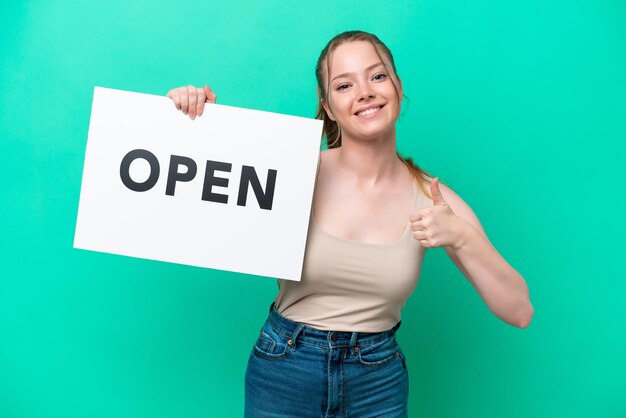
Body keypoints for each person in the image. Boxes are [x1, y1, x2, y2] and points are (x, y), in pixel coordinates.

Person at [167, 30, 533, 418]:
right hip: (283, 369)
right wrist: (191, 121)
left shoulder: (433, 198)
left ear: (397, 86)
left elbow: (519, 310)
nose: (365, 92)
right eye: (345, 84)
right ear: (327, 105)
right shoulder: (291, 170)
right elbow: (193, 192)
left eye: (377, 76)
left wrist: (461, 237)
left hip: (378, 380)